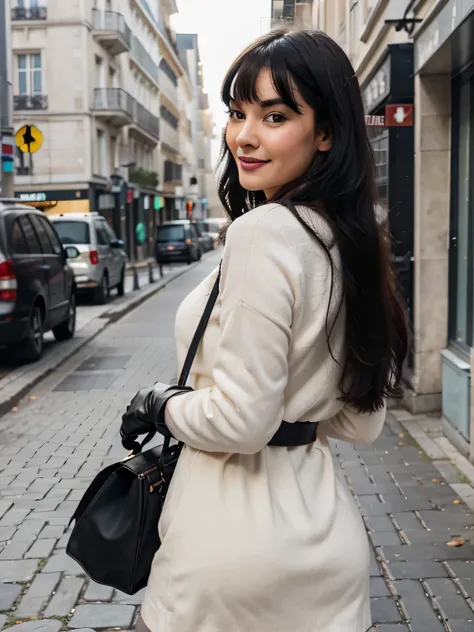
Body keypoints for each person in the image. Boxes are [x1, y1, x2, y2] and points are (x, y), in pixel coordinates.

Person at [121, 28, 408, 632]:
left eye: (275, 116)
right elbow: (361, 420)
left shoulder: (264, 233)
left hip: (229, 552)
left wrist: (162, 404)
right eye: (236, 112)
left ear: (326, 132)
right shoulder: (352, 240)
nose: (244, 136)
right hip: (326, 545)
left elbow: (240, 423)